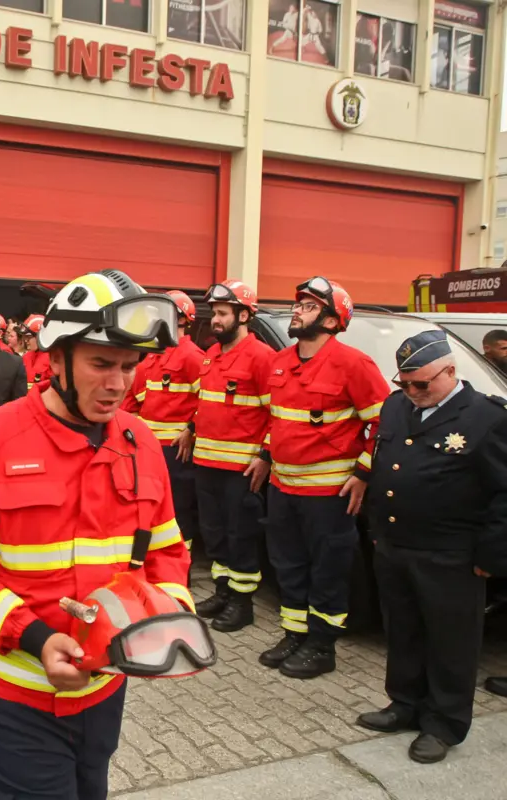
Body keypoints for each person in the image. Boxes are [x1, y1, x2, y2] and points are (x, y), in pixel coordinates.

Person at [0, 270, 192, 800]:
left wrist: (167, 617)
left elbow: (166, 549)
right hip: (15, 698)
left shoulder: (140, 440)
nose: (118, 383)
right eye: (101, 364)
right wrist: (35, 639)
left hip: (104, 695)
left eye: (129, 365)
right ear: (55, 359)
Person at [356, 331, 507, 763]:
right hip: (396, 545)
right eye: (404, 383)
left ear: (451, 372)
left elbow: (503, 493)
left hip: (451, 554)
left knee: (450, 643)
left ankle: (443, 723)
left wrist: (491, 557)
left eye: (421, 384)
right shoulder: (396, 406)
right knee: (403, 631)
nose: (413, 393)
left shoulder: (488, 418)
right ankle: (404, 703)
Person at [260, 277, 388, 679]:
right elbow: (276, 420)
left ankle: (322, 644)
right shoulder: (281, 361)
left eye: (310, 306)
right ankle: (295, 633)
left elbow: (383, 425)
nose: (297, 310)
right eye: (299, 304)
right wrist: (266, 455)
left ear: (332, 321)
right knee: (288, 564)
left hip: (328, 494)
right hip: (283, 488)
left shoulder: (354, 364)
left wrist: (364, 473)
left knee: (328, 569)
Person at [174, 281, 274, 632]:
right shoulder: (211, 355)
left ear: (244, 315)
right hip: (206, 463)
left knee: (240, 535)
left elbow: (279, 412)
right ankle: (222, 590)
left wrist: (266, 454)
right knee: (213, 533)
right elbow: (207, 404)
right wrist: (190, 426)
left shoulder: (262, 358)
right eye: (213, 313)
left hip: (240, 469)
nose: (215, 320)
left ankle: (242, 603)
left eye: (222, 313)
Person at [124, 290, 204, 552]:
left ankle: (183, 565)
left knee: (178, 510)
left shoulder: (192, 356)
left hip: (176, 449)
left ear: (180, 319)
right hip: (151, 447)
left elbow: (206, 400)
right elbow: (141, 401)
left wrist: (190, 430)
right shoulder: (155, 356)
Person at [19, 314, 51, 390]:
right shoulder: (26, 357)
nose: (26, 341)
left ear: (40, 336)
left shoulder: (53, 359)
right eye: (24, 337)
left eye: (29, 337)